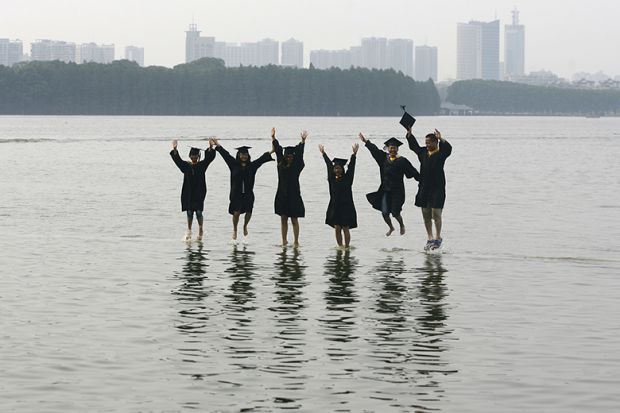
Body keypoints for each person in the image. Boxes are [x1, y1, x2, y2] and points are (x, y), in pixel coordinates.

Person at [210, 137, 274, 242]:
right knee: (236, 212)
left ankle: (245, 226)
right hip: (236, 194)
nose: (244, 156)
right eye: (242, 154)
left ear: (248, 155)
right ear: (238, 155)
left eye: (245, 154)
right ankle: (235, 229)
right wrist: (218, 145)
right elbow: (226, 155)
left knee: (249, 211)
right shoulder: (233, 164)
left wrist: (272, 150)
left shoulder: (252, 166)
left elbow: (262, 159)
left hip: (248, 194)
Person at [359, 133, 419, 236]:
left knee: (395, 213)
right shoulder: (383, 158)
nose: (392, 150)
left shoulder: (402, 161)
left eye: (394, 148)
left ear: (397, 149)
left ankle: (401, 225)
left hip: (397, 192)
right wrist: (366, 142)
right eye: (391, 148)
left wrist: (422, 179)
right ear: (388, 149)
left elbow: (413, 172)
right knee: (384, 212)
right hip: (385, 190)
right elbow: (375, 151)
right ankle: (391, 227)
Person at [406, 127, 452, 250]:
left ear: (435, 142)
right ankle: (430, 237)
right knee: (426, 214)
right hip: (424, 187)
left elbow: (449, 149)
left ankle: (438, 237)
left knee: (436, 213)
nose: (426, 145)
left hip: (438, 187)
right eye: (425, 143)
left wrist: (440, 138)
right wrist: (410, 134)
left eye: (429, 142)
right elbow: (414, 146)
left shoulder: (441, 153)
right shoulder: (423, 153)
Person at [170, 139, 216, 241]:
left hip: (199, 192)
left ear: (198, 156)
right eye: (192, 155)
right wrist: (175, 149)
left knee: (199, 212)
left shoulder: (202, 165)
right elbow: (177, 160)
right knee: (189, 212)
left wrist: (211, 148)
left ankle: (200, 228)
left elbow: (209, 158)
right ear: (190, 156)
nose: (194, 157)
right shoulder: (186, 166)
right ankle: (189, 229)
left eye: (195, 155)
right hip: (188, 192)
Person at [319, 143, 359, 248]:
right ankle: (340, 246)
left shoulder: (348, 178)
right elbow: (328, 165)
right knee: (337, 227)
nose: (337, 170)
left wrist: (354, 155)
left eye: (339, 168)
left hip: (346, 206)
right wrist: (323, 154)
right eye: (335, 168)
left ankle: (347, 246)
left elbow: (352, 168)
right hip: (335, 205)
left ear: (342, 169)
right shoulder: (331, 179)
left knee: (345, 227)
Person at [272, 127, 307, 247]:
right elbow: (277, 151)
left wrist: (302, 142)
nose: (289, 157)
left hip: (294, 194)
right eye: (287, 156)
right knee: (283, 219)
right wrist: (273, 138)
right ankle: (284, 240)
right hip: (282, 194)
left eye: (291, 156)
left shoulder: (297, 166)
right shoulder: (280, 165)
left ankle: (296, 241)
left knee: (294, 219)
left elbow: (300, 155)